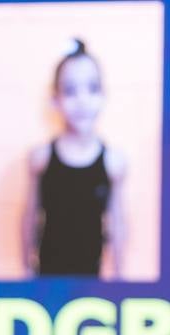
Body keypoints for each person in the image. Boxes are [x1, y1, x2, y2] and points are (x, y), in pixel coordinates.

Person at [22, 38, 128, 279]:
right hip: (46, 276)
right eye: (70, 91)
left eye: (92, 89)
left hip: (92, 280)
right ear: (55, 100)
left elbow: (118, 221)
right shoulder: (41, 158)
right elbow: (29, 216)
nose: (82, 101)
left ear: (103, 95)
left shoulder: (113, 162)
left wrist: (120, 274)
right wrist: (25, 269)